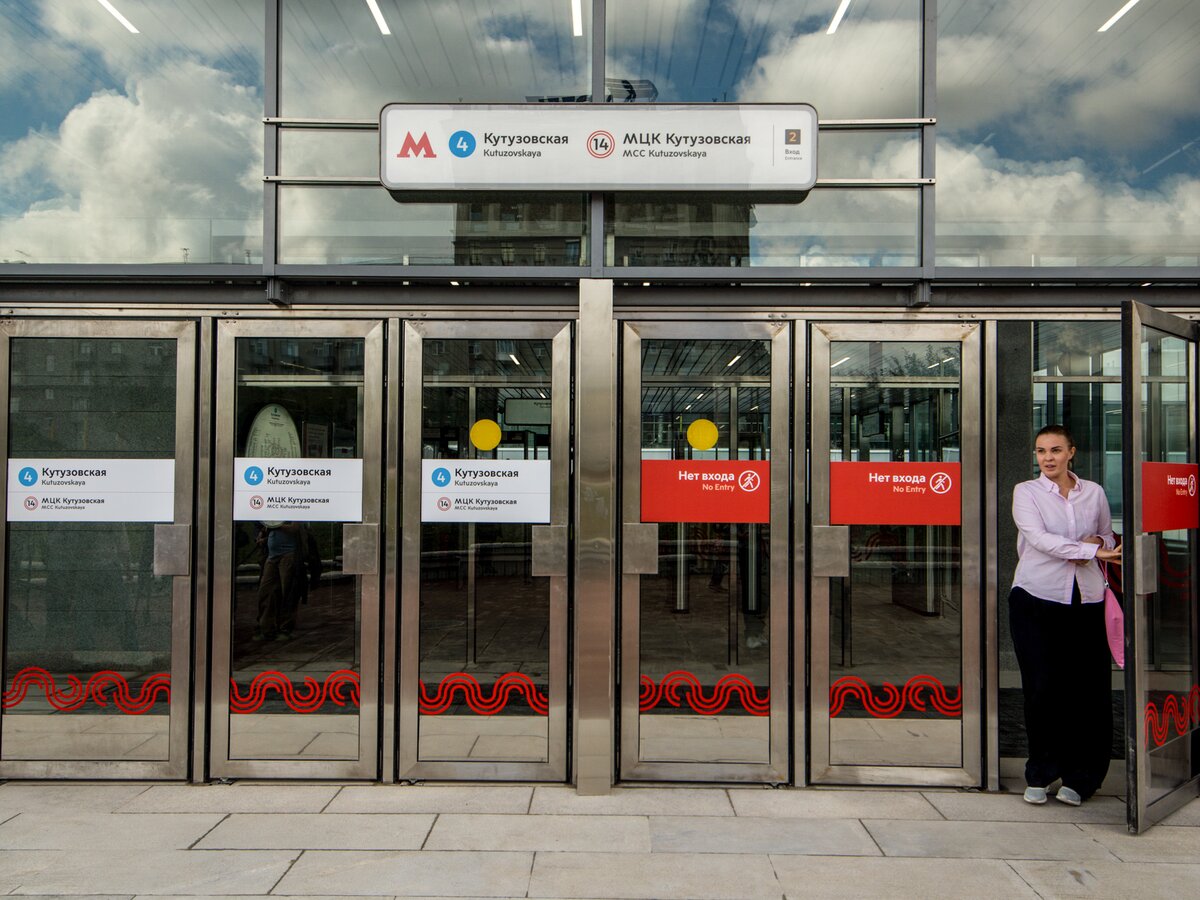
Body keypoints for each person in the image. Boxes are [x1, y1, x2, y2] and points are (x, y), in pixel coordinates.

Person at [1010, 425, 1122, 806]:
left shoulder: (1094, 493)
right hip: (1035, 598)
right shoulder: (1026, 492)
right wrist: (1089, 550)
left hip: (1086, 601)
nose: (1048, 458)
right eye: (1041, 451)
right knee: (1042, 689)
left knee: (1087, 692)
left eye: (1056, 450)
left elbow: (1107, 537)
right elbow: (1038, 539)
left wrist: (1095, 545)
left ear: (1071, 452)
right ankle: (1040, 772)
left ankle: (1083, 777)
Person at [255, 521, 304, 641]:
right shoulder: (273, 517)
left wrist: (276, 525)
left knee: (287, 592)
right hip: (272, 556)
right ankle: (266, 628)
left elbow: (294, 528)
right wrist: (264, 537)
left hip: (288, 554)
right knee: (266, 592)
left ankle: (285, 629)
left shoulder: (292, 511)